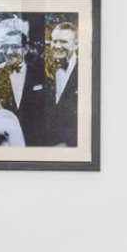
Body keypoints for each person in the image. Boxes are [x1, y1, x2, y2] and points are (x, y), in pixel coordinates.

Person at [18, 15, 82, 151]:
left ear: (76, 44)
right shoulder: (38, 69)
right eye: (54, 41)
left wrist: (70, 143)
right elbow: (29, 111)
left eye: (64, 42)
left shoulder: (86, 72)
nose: (57, 46)